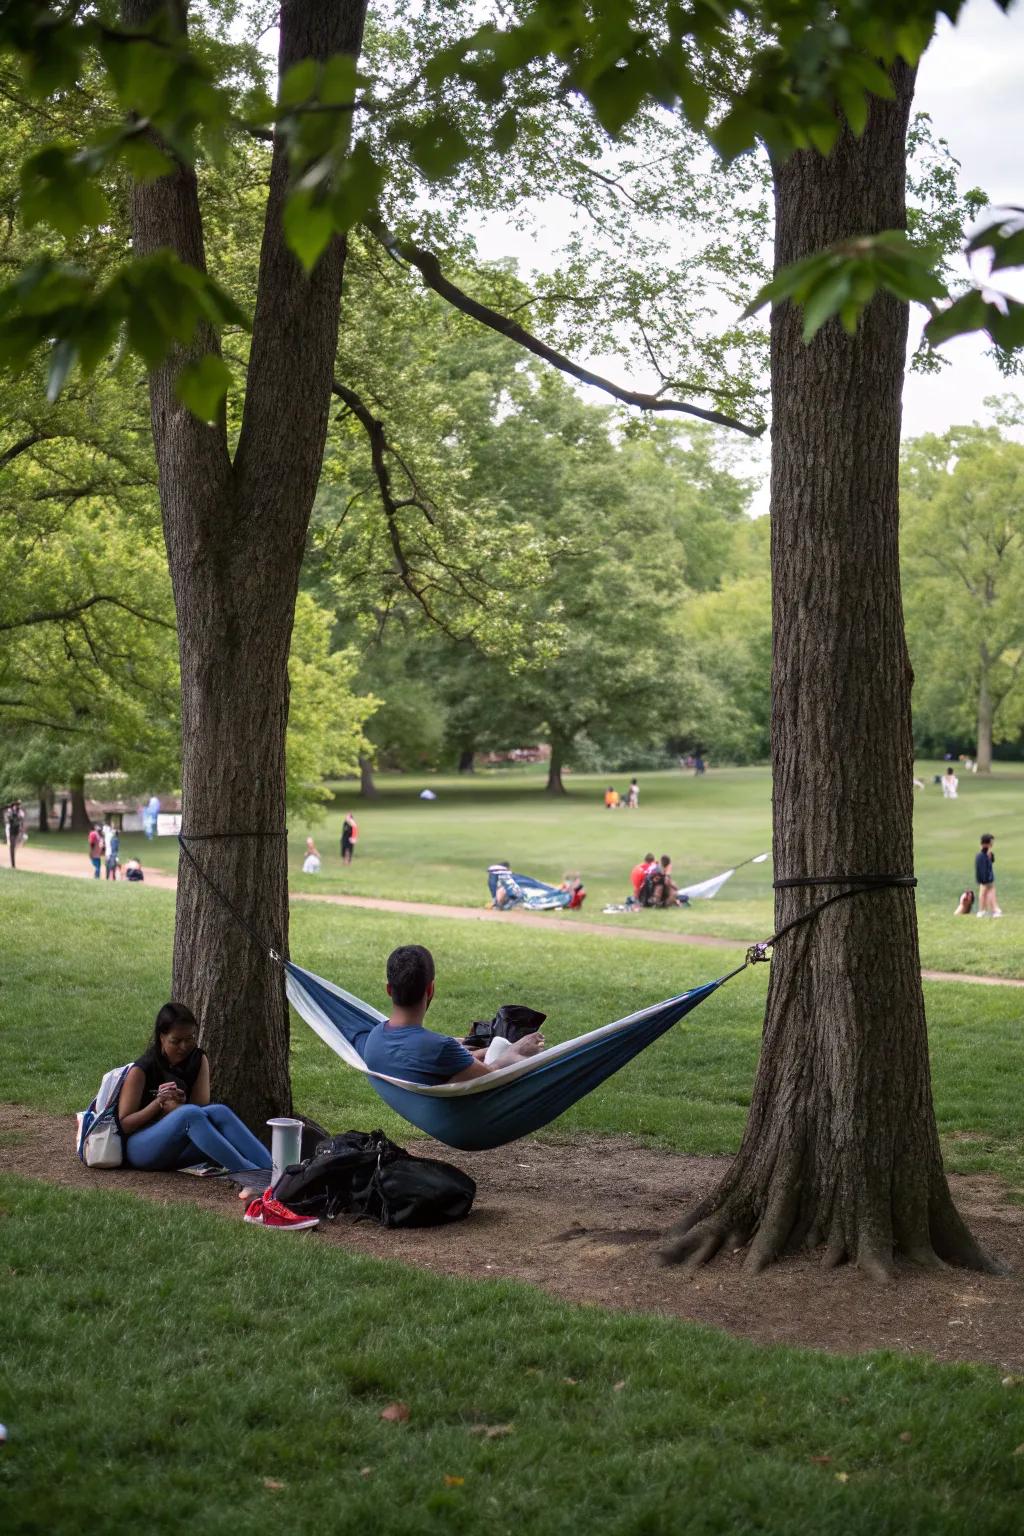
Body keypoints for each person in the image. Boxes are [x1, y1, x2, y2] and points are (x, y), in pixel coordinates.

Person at [117, 1003, 273, 1174]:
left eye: (190, 1038)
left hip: (179, 1150)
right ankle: (253, 1175)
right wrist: (158, 1103)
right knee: (189, 1114)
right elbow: (125, 1124)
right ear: (162, 1037)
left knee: (219, 1111)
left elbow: (200, 1111)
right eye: (176, 1041)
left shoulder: (197, 1059)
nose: (184, 1046)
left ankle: (273, 1170)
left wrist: (181, 1105)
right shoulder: (142, 1069)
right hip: (140, 1148)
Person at [362, 945, 546, 1085]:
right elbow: (490, 1075)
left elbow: (422, 1052)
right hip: (468, 1117)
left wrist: (475, 1048)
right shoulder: (439, 1049)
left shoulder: (375, 1037)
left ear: (388, 989)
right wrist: (515, 1051)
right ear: (430, 989)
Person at [975, 834, 1002, 917]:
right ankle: (993, 910)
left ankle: (983, 910)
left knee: (985, 893)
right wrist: (984, 881)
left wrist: (991, 856)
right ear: (984, 844)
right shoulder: (981, 856)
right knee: (989, 893)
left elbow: (991, 862)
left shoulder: (988, 854)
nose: (992, 844)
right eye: (990, 843)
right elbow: (981, 869)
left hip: (988, 879)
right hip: (985, 879)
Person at [5, 801, 24, 868]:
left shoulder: (20, 812)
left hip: (17, 830)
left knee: (16, 845)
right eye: (16, 805)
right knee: (12, 846)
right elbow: (9, 818)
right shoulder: (10, 811)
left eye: (18, 805)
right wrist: (13, 814)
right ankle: (13, 864)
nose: (17, 806)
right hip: (12, 830)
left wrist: (17, 815)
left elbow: (21, 818)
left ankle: (14, 848)